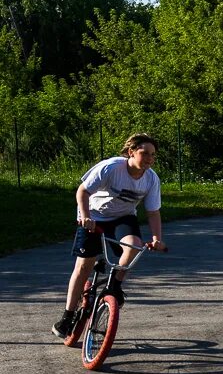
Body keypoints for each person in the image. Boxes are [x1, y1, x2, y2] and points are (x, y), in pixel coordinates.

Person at [51, 133, 168, 338]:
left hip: (122, 218)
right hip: (94, 217)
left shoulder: (151, 179)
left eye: (153, 155)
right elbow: (82, 191)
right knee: (83, 266)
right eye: (144, 153)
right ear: (131, 152)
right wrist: (86, 217)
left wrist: (157, 239)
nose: (149, 158)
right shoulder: (112, 167)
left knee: (134, 245)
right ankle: (68, 317)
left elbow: (153, 212)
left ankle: (114, 285)